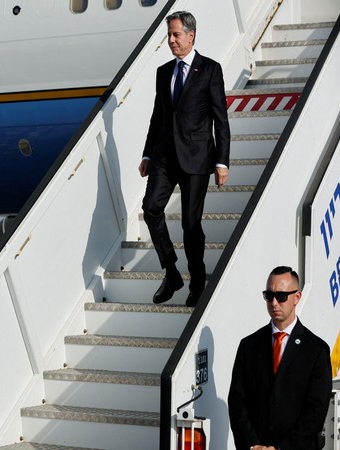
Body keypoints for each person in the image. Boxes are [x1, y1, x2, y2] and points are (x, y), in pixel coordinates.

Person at [139, 11, 230, 307]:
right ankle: (171, 272)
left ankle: (197, 281)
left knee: (191, 225)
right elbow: (157, 116)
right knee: (151, 208)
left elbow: (220, 119)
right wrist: (148, 153)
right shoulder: (163, 72)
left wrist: (221, 161)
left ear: (191, 35)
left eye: (176, 35)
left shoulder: (210, 70)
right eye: (169, 35)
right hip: (165, 157)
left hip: (197, 158)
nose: (171, 40)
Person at [228, 266, 332, 450]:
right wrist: (253, 445)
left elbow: (316, 410)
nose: (274, 303)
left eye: (281, 296)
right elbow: (237, 401)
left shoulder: (316, 350)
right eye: (269, 296)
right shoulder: (249, 346)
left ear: (296, 297)